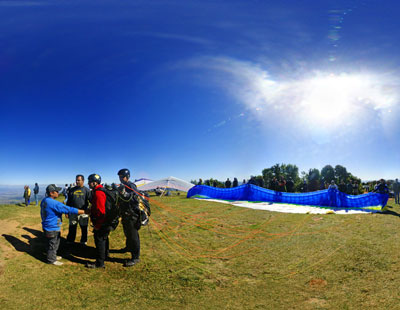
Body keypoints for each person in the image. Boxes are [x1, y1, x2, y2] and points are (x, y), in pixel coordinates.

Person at [41, 184, 85, 265]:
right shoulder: (54, 203)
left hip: (46, 226)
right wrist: (83, 211)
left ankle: (52, 255)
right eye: (56, 191)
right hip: (52, 227)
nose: (58, 192)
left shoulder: (45, 200)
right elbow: (68, 209)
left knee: (50, 243)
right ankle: (51, 260)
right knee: (53, 244)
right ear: (51, 193)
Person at [117, 168, 142, 267]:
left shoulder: (131, 186)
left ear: (127, 177)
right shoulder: (123, 186)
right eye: (119, 177)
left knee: (133, 236)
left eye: (121, 177)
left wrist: (125, 194)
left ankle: (135, 257)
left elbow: (135, 199)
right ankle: (128, 247)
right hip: (125, 214)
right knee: (127, 232)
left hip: (132, 215)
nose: (120, 179)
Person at [86, 173, 111, 269]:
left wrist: (98, 225)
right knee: (104, 238)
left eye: (90, 182)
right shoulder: (101, 190)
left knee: (99, 240)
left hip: (102, 221)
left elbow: (101, 211)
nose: (88, 184)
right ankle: (105, 255)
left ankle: (100, 263)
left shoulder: (98, 192)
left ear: (95, 183)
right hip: (106, 220)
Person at [66, 175, 92, 245]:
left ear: (83, 181)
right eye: (76, 180)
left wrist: (90, 210)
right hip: (73, 212)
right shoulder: (72, 190)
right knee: (72, 228)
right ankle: (70, 240)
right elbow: (68, 201)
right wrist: (66, 212)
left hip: (83, 213)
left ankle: (83, 241)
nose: (77, 181)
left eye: (78, 180)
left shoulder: (86, 190)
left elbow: (91, 201)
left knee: (84, 228)